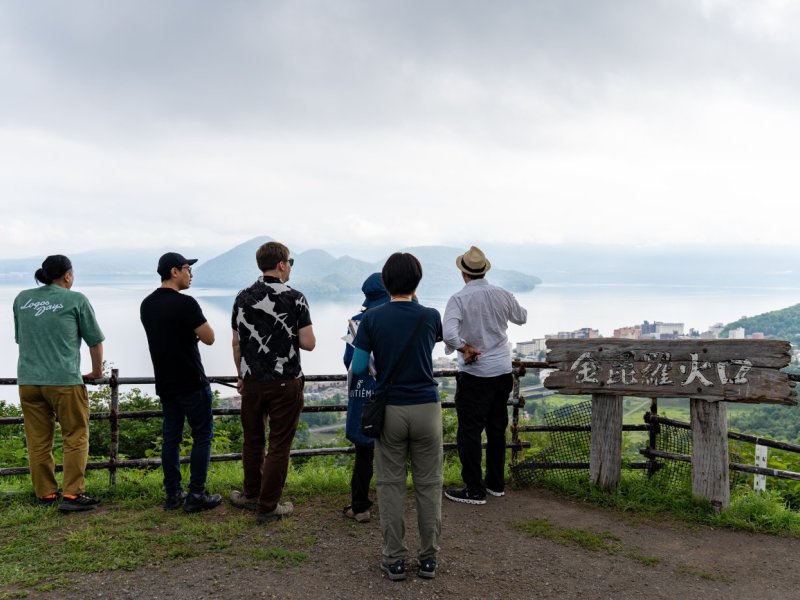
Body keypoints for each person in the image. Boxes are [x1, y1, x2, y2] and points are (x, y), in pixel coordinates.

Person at [351, 252, 443, 581]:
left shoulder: (372, 319)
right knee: (429, 485)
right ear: (417, 281)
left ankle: (395, 560)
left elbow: (359, 367)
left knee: (391, 486)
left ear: (386, 282)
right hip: (426, 409)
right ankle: (429, 559)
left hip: (390, 410)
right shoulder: (431, 315)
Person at [229, 241, 316, 524]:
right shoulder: (296, 298)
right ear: (281, 264)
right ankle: (268, 507)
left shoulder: (242, 297)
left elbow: (236, 343)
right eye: (290, 262)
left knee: (253, 440)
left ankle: (251, 495)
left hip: (252, 382)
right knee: (279, 444)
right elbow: (308, 343)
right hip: (285, 383)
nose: (290, 267)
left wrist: (242, 375)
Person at [13, 255, 104, 512]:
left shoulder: (22, 299)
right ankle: (73, 495)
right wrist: (96, 371)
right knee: (75, 435)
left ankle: (46, 494)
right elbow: (94, 341)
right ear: (67, 275)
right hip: (64, 380)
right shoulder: (76, 299)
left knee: (38, 439)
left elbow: (21, 338)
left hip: (29, 381)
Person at [443, 246, 528, 505]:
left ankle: (474, 489)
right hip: (502, 371)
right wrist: (508, 302)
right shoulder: (502, 294)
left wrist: (465, 347)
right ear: (484, 270)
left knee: (469, 431)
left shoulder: (458, 300)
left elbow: (448, 334)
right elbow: (522, 318)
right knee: (496, 429)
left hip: (474, 373)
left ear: (463, 273)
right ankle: (495, 483)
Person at [140, 252, 222, 513]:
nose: (191, 274)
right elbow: (209, 337)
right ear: (174, 271)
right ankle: (196, 494)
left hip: (165, 382)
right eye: (187, 269)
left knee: (171, 438)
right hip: (192, 380)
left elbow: (166, 337)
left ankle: (173, 494)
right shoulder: (186, 304)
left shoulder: (147, 304)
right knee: (202, 436)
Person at [342, 273, 390, 523]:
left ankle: (360, 506)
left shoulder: (357, 322)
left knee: (364, 453)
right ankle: (393, 504)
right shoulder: (395, 319)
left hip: (364, 395)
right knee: (393, 452)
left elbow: (349, 361)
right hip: (391, 395)